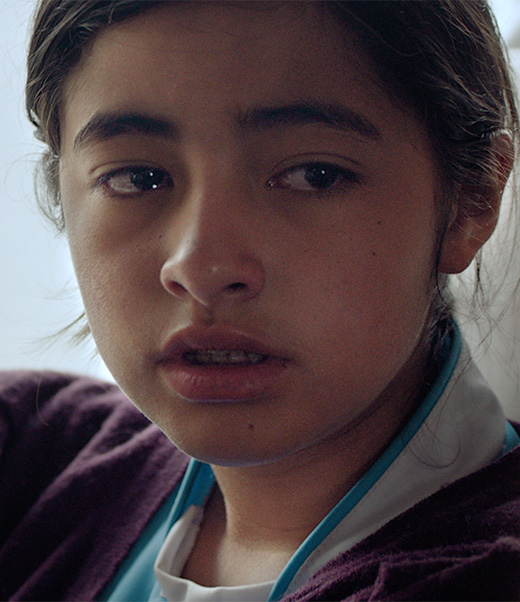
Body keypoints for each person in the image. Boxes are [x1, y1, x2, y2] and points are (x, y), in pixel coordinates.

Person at [1, 0, 519, 600]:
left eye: (314, 175)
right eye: (138, 178)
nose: (201, 269)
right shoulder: (36, 455)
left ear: (473, 199)